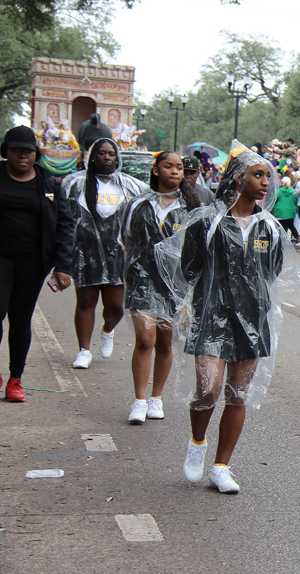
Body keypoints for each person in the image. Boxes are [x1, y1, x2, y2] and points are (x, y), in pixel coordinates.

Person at [171, 148, 300, 493]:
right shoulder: (205, 221)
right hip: (210, 316)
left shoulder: (269, 227)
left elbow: (271, 274)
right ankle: (198, 441)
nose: (265, 183)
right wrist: (194, 305)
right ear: (238, 177)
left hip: (253, 320)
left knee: (238, 394)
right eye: (258, 175)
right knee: (208, 389)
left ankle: (221, 466)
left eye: (267, 176)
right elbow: (188, 269)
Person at [0, 126, 73, 402]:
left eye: (28, 151)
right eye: (16, 150)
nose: (23, 155)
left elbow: (66, 225)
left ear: (36, 154)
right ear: (5, 152)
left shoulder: (49, 184)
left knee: (20, 318)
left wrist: (63, 265)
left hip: (33, 261)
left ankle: (15, 380)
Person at [120, 151, 200, 423]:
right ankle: (139, 400)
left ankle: (157, 397)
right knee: (145, 340)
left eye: (179, 168)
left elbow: (197, 250)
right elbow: (126, 239)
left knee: (165, 343)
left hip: (174, 286)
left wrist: (191, 293)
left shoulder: (190, 208)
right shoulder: (137, 204)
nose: (176, 172)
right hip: (141, 281)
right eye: (169, 166)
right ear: (156, 170)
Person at [64, 138, 147, 369]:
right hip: (85, 254)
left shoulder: (131, 186)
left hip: (117, 256)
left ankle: (107, 329)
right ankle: (84, 350)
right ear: (93, 157)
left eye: (111, 154)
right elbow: (65, 218)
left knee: (115, 308)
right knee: (85, 302)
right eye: (101, 153)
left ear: (117, 157)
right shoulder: (75, 184)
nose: (107, 157)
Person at [273, 176, 299, 240]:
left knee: (281, 226)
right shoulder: (293, 191)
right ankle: (297, 237)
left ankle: (282, 239)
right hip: (290, 211)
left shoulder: (278, 191)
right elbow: (296, 201)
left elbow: (274, 200)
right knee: (291, 225)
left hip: (280, 211)